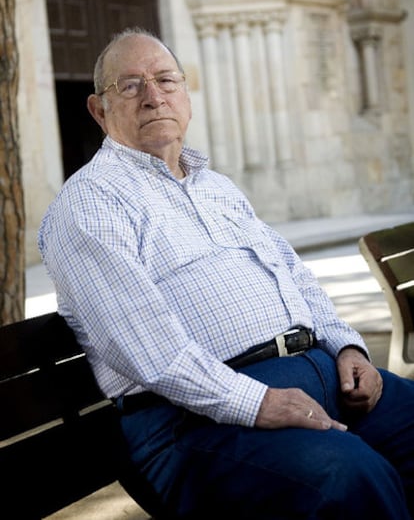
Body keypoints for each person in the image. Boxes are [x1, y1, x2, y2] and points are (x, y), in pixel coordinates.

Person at [38, 27, 414, 520]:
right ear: (98, 110)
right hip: (193, 423)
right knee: (346, 478)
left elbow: (294, 277)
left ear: (186, 95)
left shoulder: (216, 186)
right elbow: (148, 349)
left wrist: (346, 345)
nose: (153, 97)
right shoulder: (89, 202)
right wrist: (257, 403)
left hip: (317, 380)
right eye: (129, 86)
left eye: (166, 80)